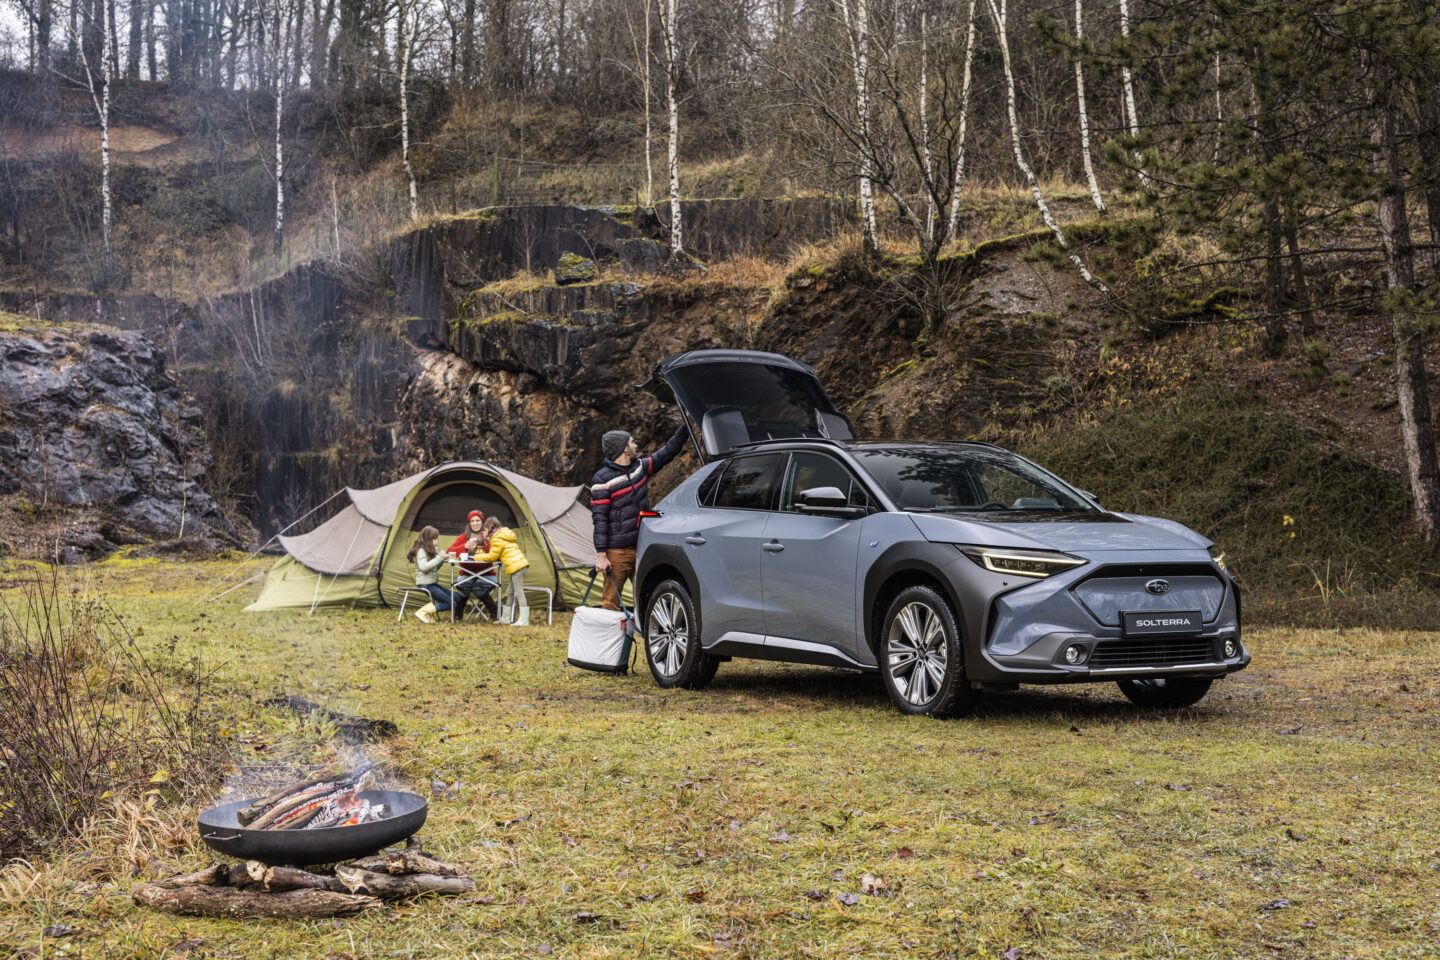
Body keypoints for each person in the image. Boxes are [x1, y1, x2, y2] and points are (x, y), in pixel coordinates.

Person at [590, 423, 688, 611]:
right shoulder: (601, 480)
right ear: (624, 448)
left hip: (642, 547)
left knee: (648, 597)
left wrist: (686, 427)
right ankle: (612, 641)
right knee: (611, 603)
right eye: (631, 442)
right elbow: (599, 519)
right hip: (616, 552)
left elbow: (668, 452)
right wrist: (601, 555)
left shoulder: (640, 468)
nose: (635, 446)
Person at [474, 516, 532, 626]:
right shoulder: (503, 534)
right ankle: (506, 618)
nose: (484, 531)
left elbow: (492, 556)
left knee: (519, 593)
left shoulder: (496, 537)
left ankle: (524, 620)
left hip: (517, 566)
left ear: (489, 527)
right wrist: (488, 540)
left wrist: (478, 557)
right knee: (510, 593)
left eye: (485, 529)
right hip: (517, 564)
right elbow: (499, 552)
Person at [446, 510, 499, 621]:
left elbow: (495, 554)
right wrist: (464, 546)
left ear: (482, 522)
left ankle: (495, 612)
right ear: (469, 523)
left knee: (478, 588)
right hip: (466, 574)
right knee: (463, 587)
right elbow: (449, 551)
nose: (475, 523)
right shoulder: (463, 537)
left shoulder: (490, 536)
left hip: (487, 574)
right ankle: (458, 615)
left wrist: (487, 541)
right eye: (472, 521)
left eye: (477, 520)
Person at [406, 525, 451, 623]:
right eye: (434, 539)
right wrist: (439, 558)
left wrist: (442, 559)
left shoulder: (428, 551)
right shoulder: (421, 551)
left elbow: (434, 568)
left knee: (455, 598)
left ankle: (427, 612)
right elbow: (424, 568)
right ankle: (423, 612)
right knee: (451, 603)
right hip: (426, 584)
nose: (436, 542)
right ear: (428, 540)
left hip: (432, 583)